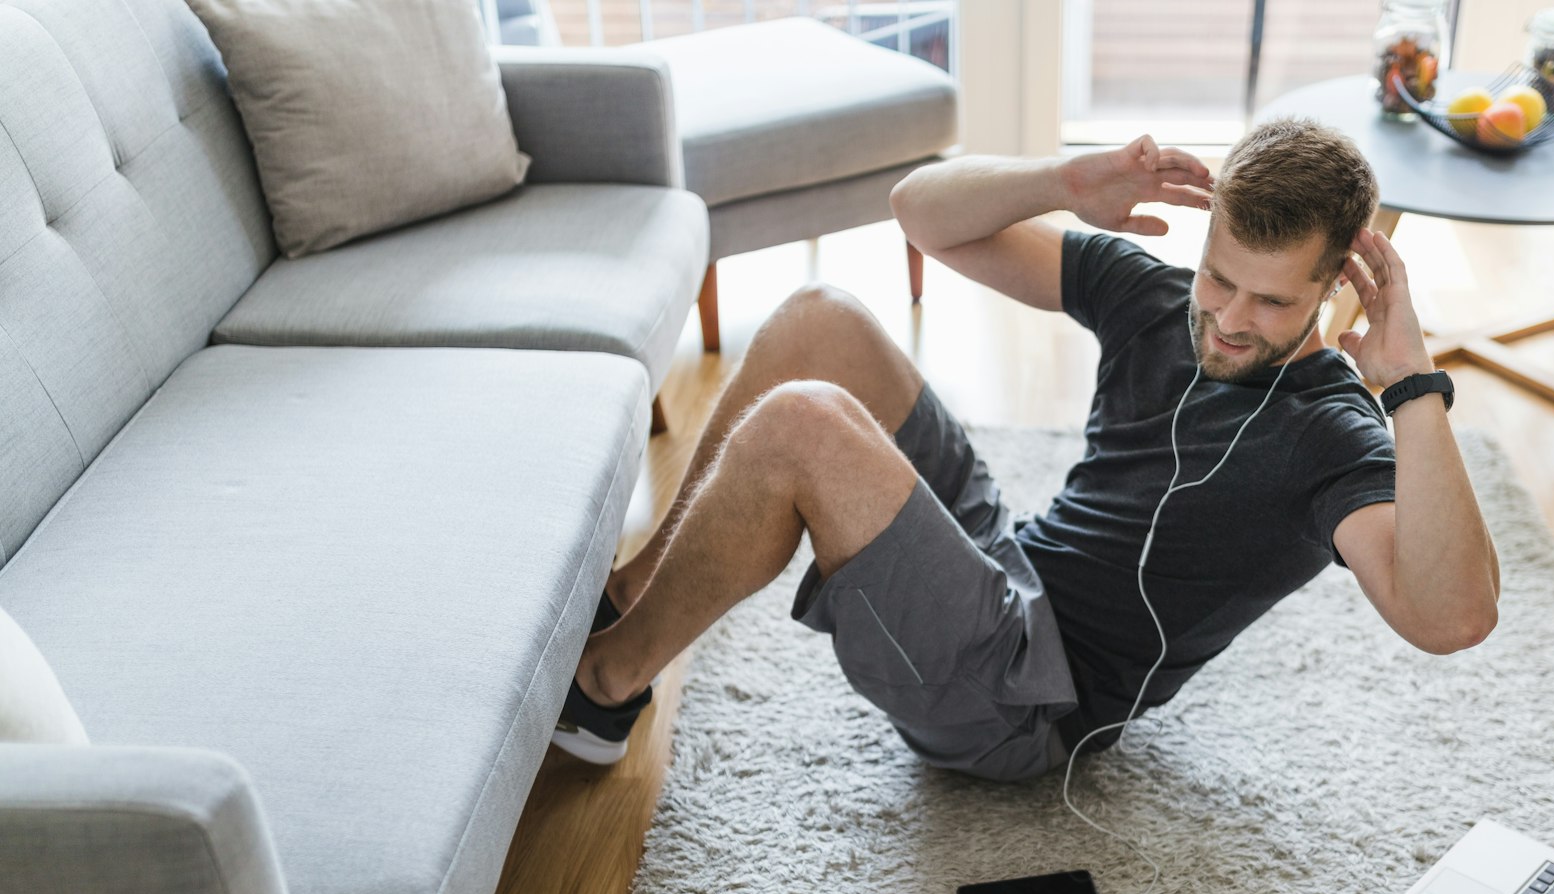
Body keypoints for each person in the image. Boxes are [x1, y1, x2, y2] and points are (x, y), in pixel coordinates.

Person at [552, 116, 1501, 780]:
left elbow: (1450, 617)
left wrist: (1410, 384)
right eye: (1220, 278)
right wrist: (1061, 183)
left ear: (1340, 281)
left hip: (1025, 709)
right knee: (819, 320)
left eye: (1275, 301)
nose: (1230, 320)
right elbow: (919, 211)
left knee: (803, 424)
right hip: (1009, 569)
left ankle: (601, 687)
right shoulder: (1157, 296)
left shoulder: (1331, 435)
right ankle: (633, 601)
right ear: (1207, 238)